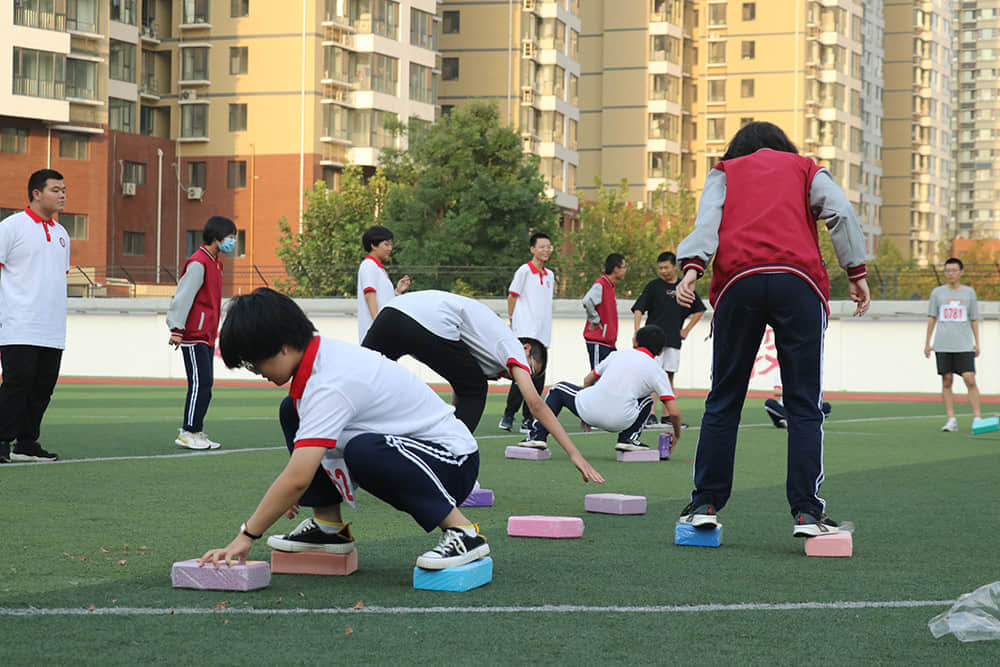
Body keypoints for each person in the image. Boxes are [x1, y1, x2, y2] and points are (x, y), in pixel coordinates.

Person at [199, 287, 489, 571]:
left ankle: (464, 532)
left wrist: (246, 535)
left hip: (452, 463)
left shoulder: (332, 382)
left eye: (253, 362)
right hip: (414, 453)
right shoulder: (320, 361)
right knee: (292, 411)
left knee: (364, 451)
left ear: (283, 346)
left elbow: (298, 478)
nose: (256, 371)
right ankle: (327, 526)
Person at [673, 121, 870, 538]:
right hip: (798, 282)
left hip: (738, 281)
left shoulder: (725, 170)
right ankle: (806, 513)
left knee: (724, 397)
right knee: (803, 403)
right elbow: (841, 212)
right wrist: (855, 270)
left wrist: (692, 267)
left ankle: (704, 503)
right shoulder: (805, 168)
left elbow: (708, 220)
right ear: (784, 145)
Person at [362, 289, 604, 481]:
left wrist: (453, 423)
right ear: (526, 349)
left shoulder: (485, 343)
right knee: (476, 386)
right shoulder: (511, 344)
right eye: (529, 371)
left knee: (360, 383)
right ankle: (449, 462)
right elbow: (535, 403)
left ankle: (334, 455)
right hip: (426, 320)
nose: (522, 378)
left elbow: (460, 382)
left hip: (392, 313)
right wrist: (575, 454)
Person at [518, 325, 682, 453]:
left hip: (588, 410)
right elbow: (673, 412)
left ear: (635, 342)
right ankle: (628, 439)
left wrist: (584, 411)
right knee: (647, 399)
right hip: (621, 421)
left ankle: (537, 436)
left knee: (558, 389)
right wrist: (677, 434)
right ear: (661, 351)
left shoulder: (617, 355)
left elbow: (588, 379)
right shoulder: (657, 371)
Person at [0, 169, 70, 463]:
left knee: (43, 388)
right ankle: (2, 442)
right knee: (17, 384)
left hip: (52, 327)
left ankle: (27, 443)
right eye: (56, 189)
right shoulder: (11, 227)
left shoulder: (62, 233)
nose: (62, 194)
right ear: (36, 193)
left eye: (64, 190)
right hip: (18, 323)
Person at [166, 216, 238, 450]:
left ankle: (196, 429)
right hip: (193, 333)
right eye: (230, 238)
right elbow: (183, 296)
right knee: (200, 384)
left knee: (205, 385)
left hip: (206, 334)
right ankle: (188, 431)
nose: (233, 242)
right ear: (216, 239)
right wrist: (177, 328)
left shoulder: (215, 262)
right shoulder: (198, 262)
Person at [631, 251, 706, 427]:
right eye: (660, 268)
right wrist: (637, 332)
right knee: (650, 377)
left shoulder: (684, 287)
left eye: (666, 267)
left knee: (668, 377)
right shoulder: (653, 286)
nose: (663, 271)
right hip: (651, 341)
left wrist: (686, 329)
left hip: (672, 339)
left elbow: (699, 309)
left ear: (675, 267)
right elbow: (638, 309)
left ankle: (667, 416)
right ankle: (648, 414)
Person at [499, 232, 555, 433]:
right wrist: (513, 323)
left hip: (543, 334)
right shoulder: (524, 271)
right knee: (521, 376)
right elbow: (512, 297)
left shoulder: (550, 275)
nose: (546, 250)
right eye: (542, 246)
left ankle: (528, 418)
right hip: (525, 331)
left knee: (538, 378)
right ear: (532, 249)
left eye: (549, 246)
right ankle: (508, 414)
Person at [924, 257, 982, 432]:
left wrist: (977, 343)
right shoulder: (937, 293)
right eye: (948, 270)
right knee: (947, 380)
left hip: (963, 344)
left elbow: (974, 319)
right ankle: (951, 419)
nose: (951, 274)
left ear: (961, 272)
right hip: (943, 344)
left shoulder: (969, 293)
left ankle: (978, 418)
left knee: (969, 378)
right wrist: (928, 342)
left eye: (954, 270)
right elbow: (932, 317)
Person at [356, 225, 410, 342]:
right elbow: (369, 296)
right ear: (373, 245)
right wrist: (379, 326)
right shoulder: (369, 265)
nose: (390, 248)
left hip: (383, 333)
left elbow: (383, 301)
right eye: (386, 244)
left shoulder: (378, 268)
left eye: (391, 244)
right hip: (375, 335)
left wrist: (397, 291)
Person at [582, 253, 626, 370]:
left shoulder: (610, 286)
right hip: (599, 341)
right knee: (597, 380)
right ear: (616, 269)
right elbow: (587, 301)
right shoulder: (601, 284)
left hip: (608, 343)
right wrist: (595, 320)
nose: (625, 271)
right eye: (624, 267)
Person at [764, 369, 831, 429]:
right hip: (786, 408)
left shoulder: (810, 372)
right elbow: (776, 392)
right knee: (769, 403)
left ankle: (790, 421)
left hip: (805, 408)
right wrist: (795, 392)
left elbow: (818, 393)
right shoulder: (782, 371)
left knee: (826, 407)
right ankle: (802, 422)